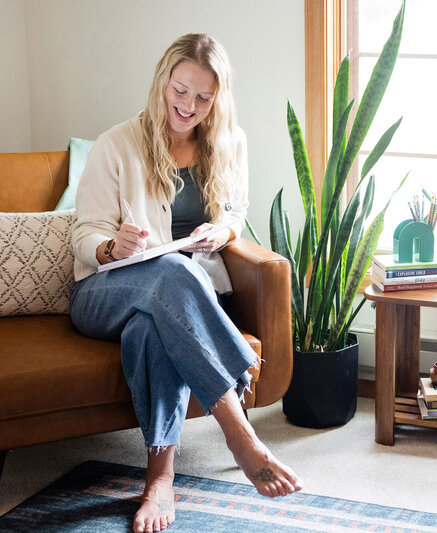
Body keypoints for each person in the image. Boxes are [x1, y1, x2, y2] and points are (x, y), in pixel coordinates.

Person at [70, 33, 302, 533]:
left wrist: (221, 231)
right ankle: (241, 434)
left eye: (203, 97)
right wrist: (113, 247)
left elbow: (236, 211)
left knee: (152, 329)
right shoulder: (117, 144)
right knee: (171, 272)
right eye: (180, 91)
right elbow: (84, 234)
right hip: (105, 292)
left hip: (177, 303)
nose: (188, 106)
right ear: (162, 82)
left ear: (218, 97)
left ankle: (159, 479)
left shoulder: (229, 143)